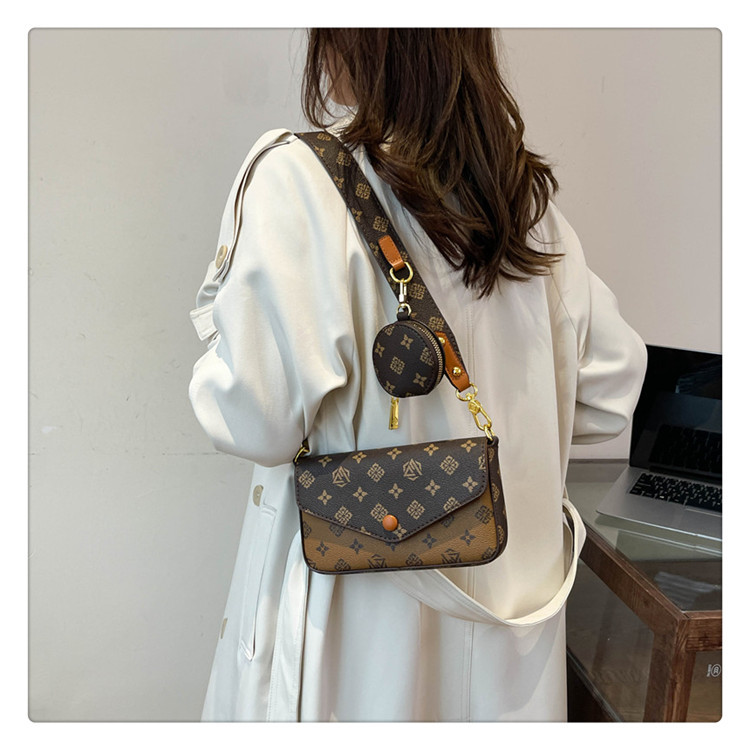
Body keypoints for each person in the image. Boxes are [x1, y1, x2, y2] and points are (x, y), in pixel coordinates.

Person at [188, 28, 647, 722]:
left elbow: (254, 419)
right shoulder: (524, 208)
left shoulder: (300, 179)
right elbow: (609, 395)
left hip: (354, 654)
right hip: (511, 654)